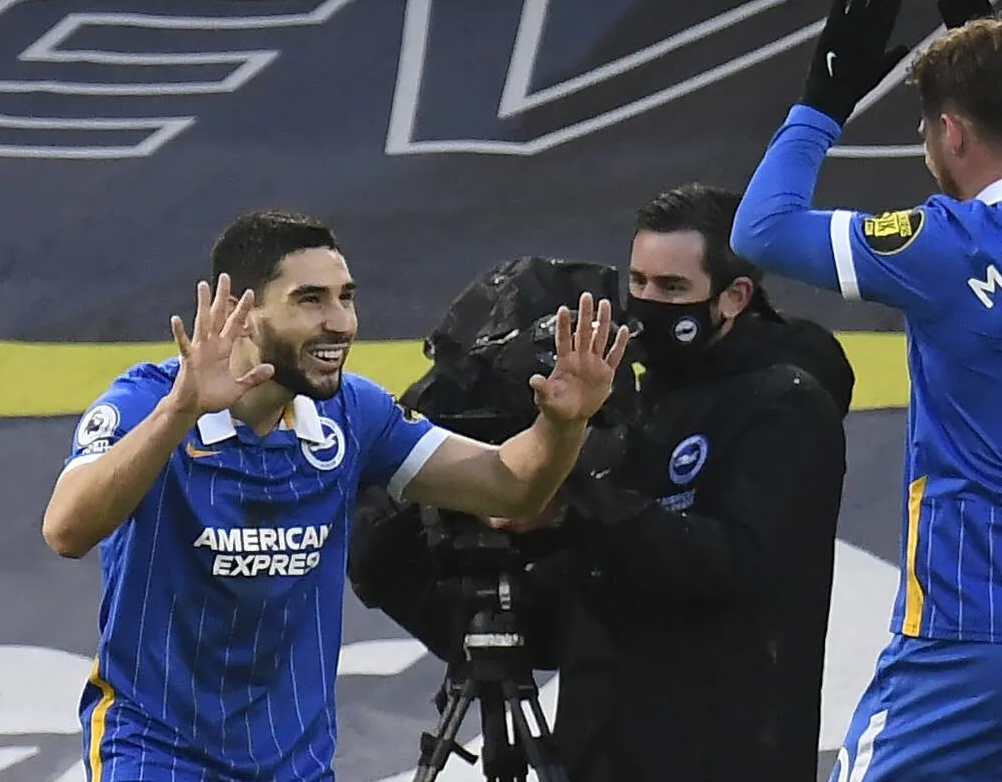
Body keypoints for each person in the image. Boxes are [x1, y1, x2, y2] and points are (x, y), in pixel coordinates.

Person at [729, 0, 1002, 781]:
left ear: (953, 132)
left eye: (929, 129)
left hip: (969, 650)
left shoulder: (950, 246)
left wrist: (821, 102)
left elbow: (761, 227)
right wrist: (998, 65)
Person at [39, 209, 629, 782]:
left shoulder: (352, 414)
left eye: (346, 297)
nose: (342, 322)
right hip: (157, 754)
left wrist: (562, 425)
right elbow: (66, 531)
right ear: (241, 314)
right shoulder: (148, 402)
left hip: (293, 764)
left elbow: (511, 486)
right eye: (310, 300)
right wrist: (180, 411)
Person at [349, 182, 856, 782]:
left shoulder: (784, 406)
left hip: (725, 753)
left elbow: (734, 566)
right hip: (602, 750)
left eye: (672, 288)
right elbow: (575, 604)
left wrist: (572, 505)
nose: (646, 303)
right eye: (638, 282)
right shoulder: (631, 404)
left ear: (734, 296)